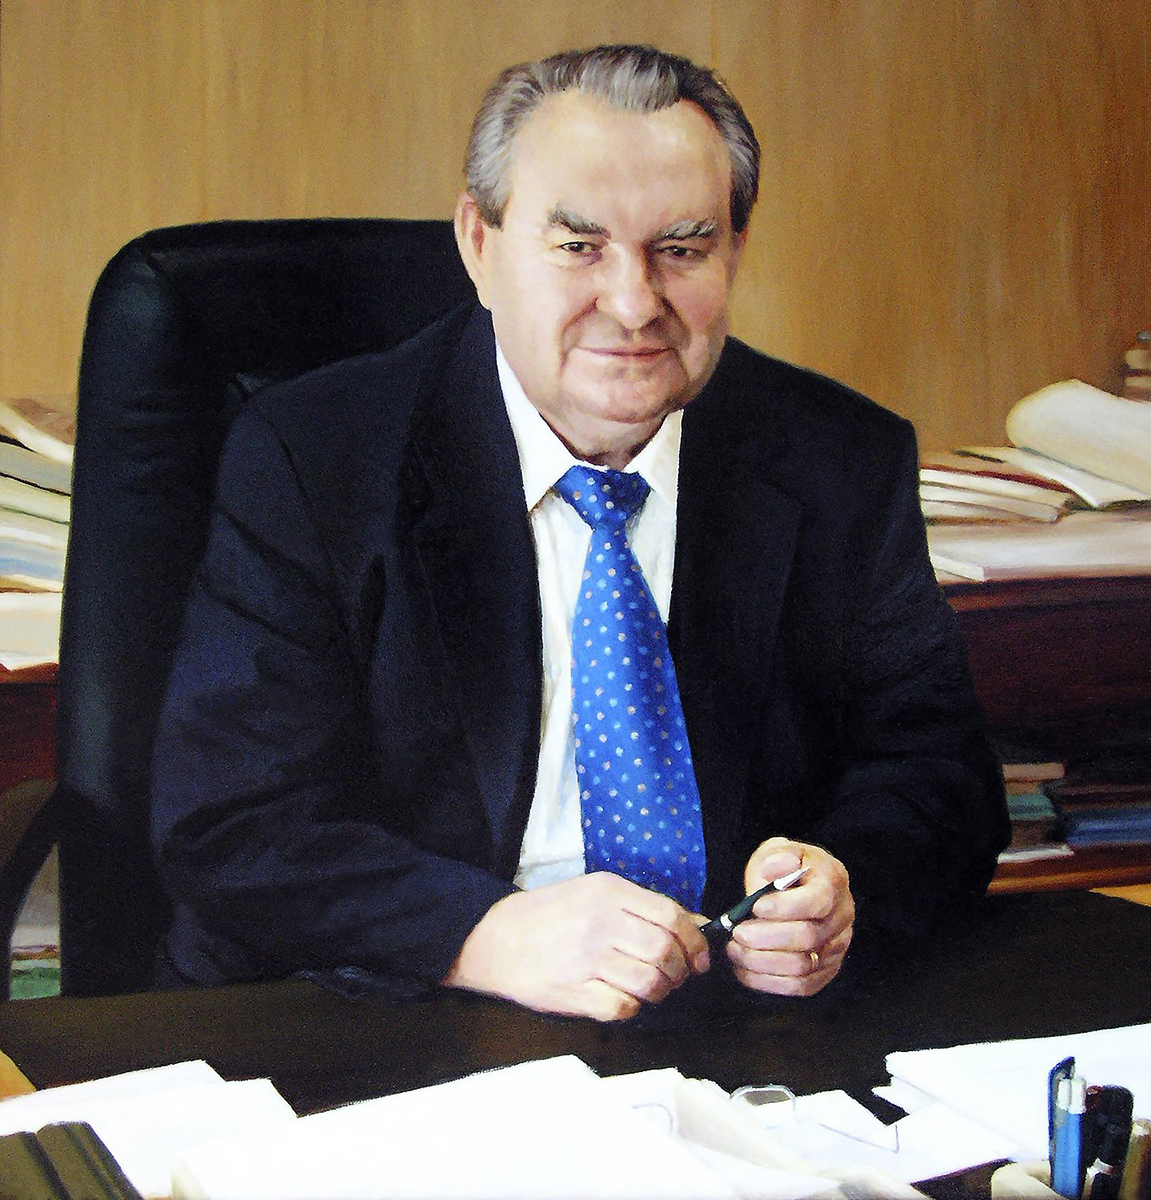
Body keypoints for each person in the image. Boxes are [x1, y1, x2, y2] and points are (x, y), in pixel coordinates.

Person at [151, 44, 1008, 1021]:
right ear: (479, 245)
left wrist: (842, 886)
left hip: (719, 1021)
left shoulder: (838, 460)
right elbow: (232, 823)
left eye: (681, 249)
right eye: (578, 247)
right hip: (395, 1010)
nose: (635, 304)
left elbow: (941, 775)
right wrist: (482, 933)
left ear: (733, 250)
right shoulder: (313, 457)